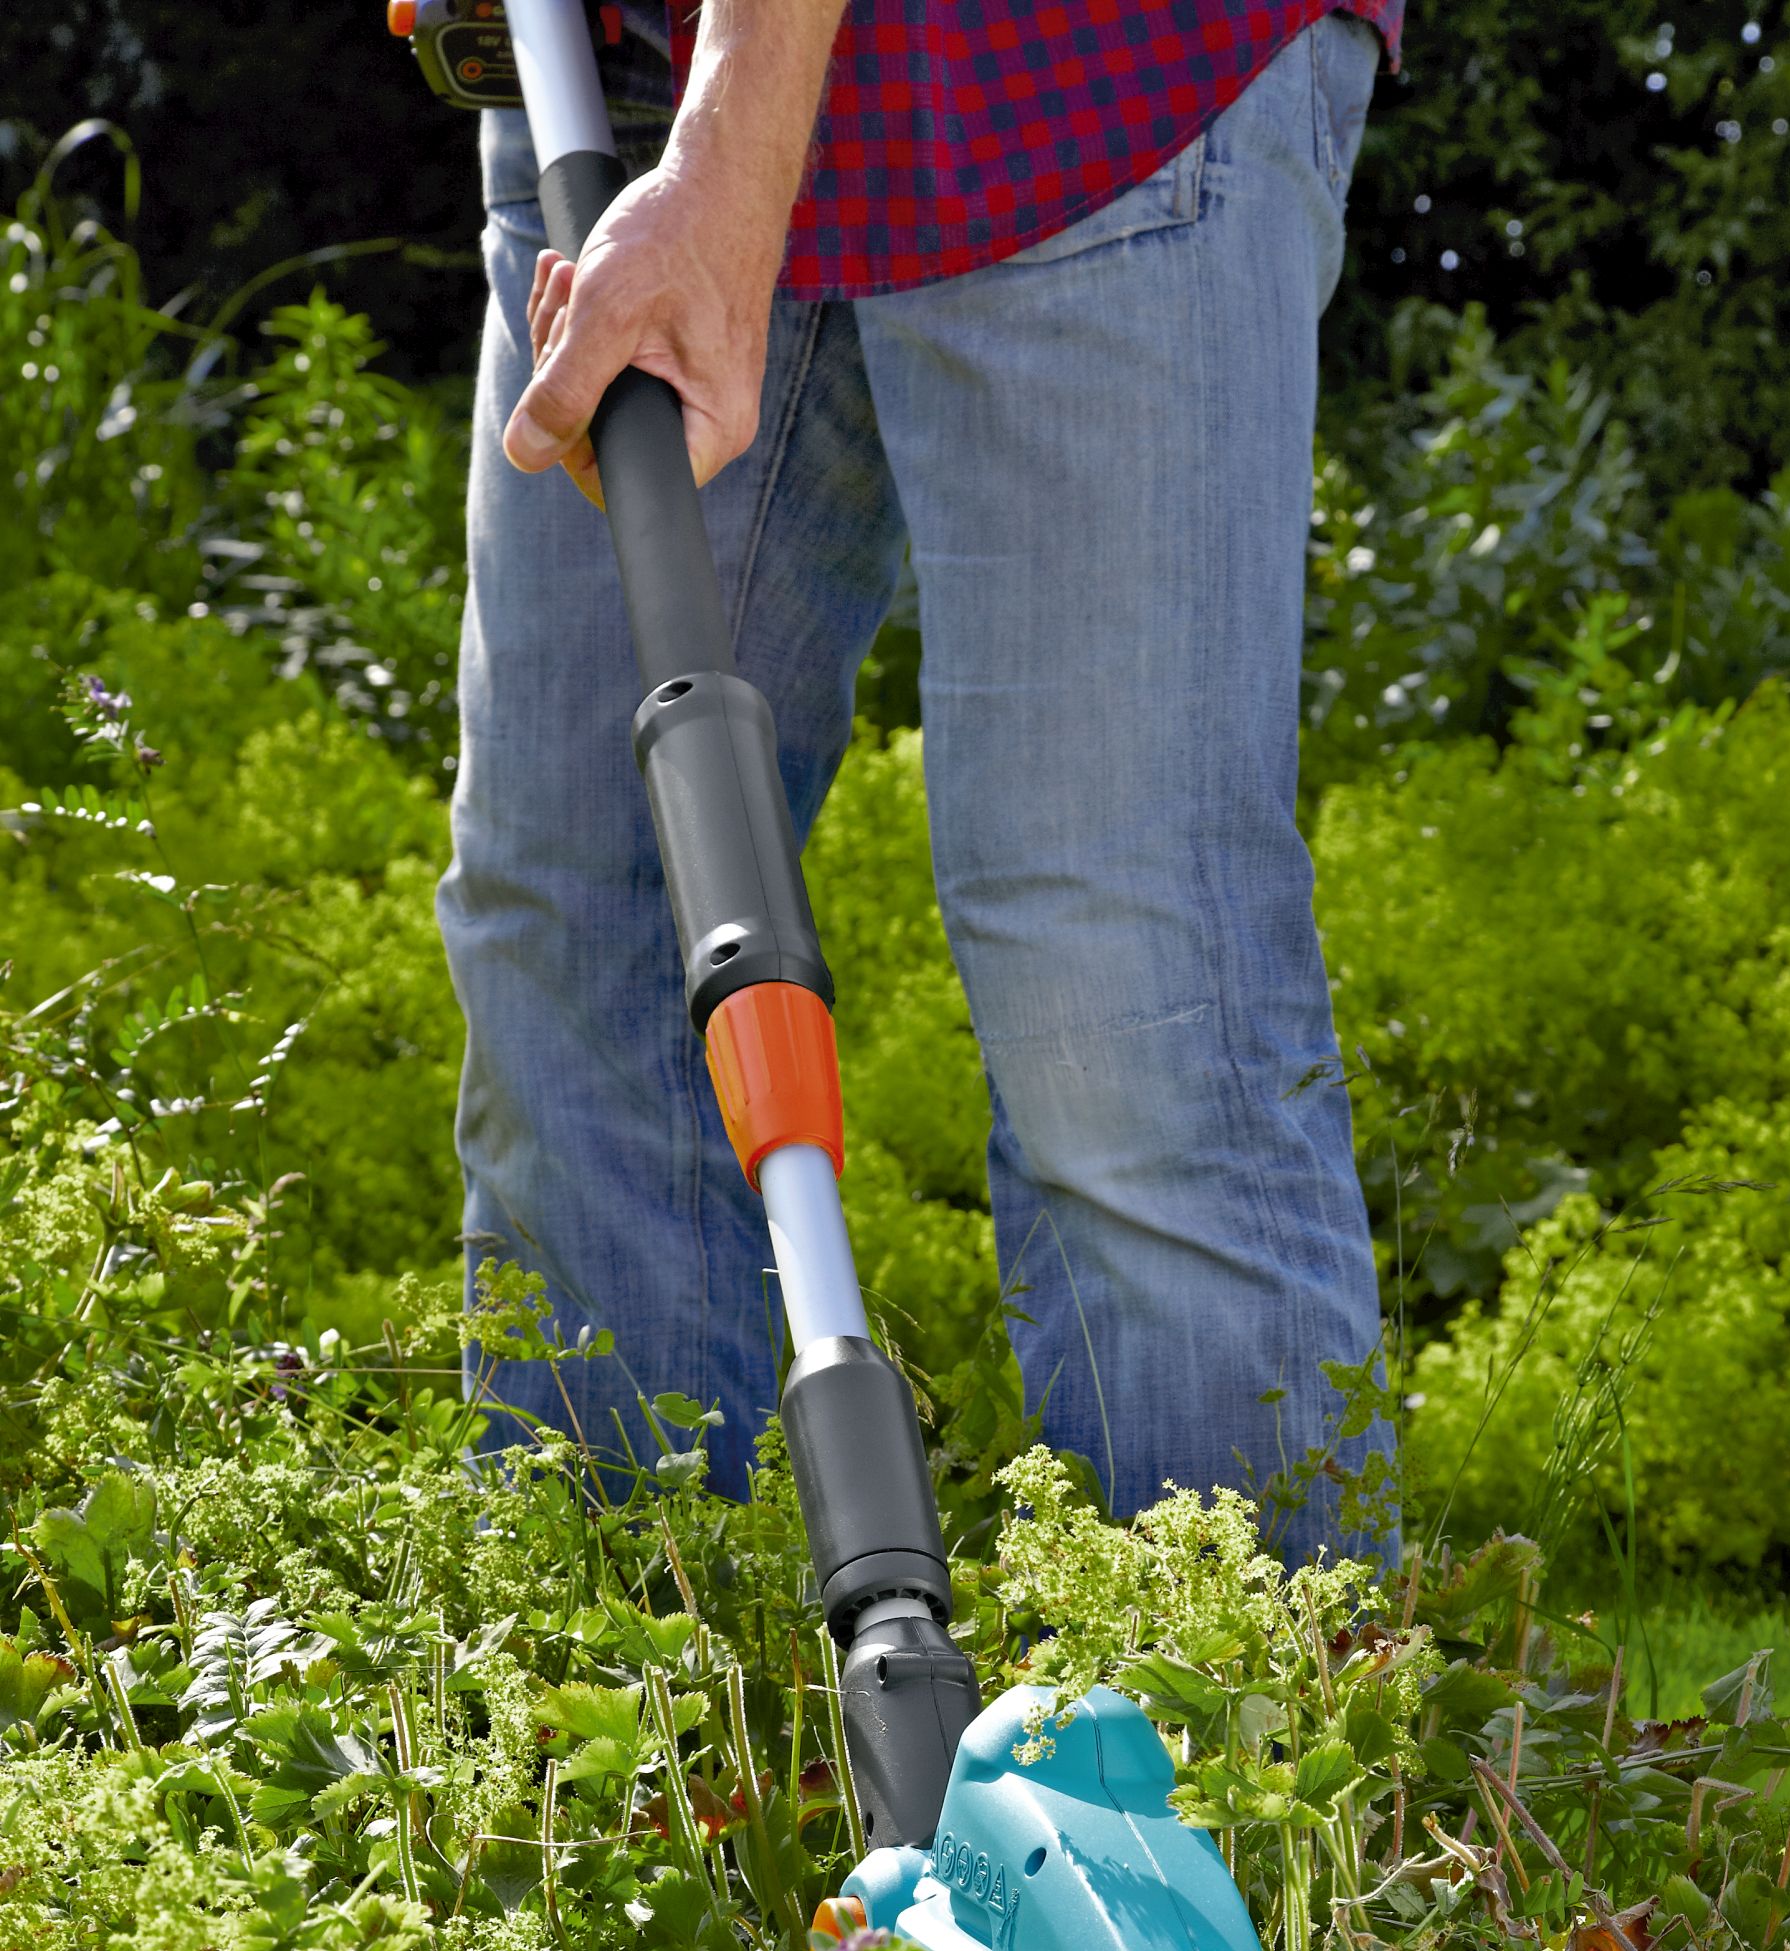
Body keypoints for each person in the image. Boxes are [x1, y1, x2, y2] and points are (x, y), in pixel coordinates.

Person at [439, 0, 1398, 1556]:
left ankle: (1245, 1745)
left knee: (1121, 989)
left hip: (1068, 72)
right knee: (575, 918)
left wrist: (725, 162)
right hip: (615, 93)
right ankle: (620, 1709)